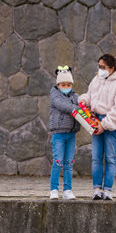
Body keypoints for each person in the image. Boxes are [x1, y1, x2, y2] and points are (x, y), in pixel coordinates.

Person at [79, 54, 116, 200]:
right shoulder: (97, 79)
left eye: (103, 67)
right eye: (99, 67)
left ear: (112, 68)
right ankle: (96, 189)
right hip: (95, 119)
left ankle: (107, 190)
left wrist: (105, 124)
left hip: (110, 123)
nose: (100, 70)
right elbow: (90, 95)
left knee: (110, 157)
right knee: (96, 157)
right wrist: (83, 100)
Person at [49, 66, 80, 200]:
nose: (66, 86)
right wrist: (77, 108)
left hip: (71, 134)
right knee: (58, 161)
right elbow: (63, 105)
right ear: (58, 84)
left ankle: (67, 189)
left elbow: (83, 103)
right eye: (63, 84)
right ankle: (54, 189)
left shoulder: (75, 96)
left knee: (69, 162)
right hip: (59, 134)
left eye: (68, 84)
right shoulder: (55, 95)